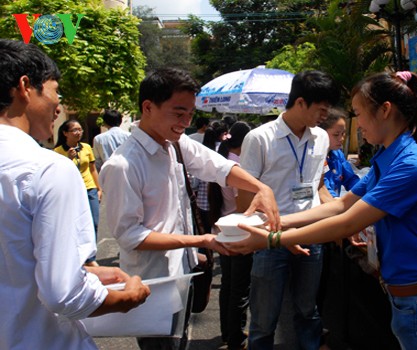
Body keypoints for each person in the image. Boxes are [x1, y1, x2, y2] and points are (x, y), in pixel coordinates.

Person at [228, 71, 417, 349]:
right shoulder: (388, 158)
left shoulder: (410, 165)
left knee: (305, 308)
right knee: (266, 318)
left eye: (359, 114)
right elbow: (339, 204)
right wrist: (277, 225)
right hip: (408, 297)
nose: (357, 125)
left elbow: (347, 222)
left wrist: (271, 238)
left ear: (385, 111)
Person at [99, 67, 280, 350]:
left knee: (180, 341)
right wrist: (202, 240)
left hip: (183, 273)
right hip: (152, 284)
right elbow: (131, 236)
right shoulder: (123, 166)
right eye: (178, 112)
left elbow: (219, 167)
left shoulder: (175, 144)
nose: (186, 122)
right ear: (148, 107)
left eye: (190, 114)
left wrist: (262, 188)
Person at [0, 38, 150, 350]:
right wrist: (124, 298)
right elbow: (63, 293)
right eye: (56, 92)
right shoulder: (47, 168)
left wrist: (84, 272)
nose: (58, 106)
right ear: (25, 87)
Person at [236, 70, 340, 350]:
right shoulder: (260, 138)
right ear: (301, 102)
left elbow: (317, 186)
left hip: (310, 236)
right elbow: (245, 199)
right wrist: (267, 232)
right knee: (264, 318)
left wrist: (344, 219)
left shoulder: (320, 138)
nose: (324, 116)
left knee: (308, 309)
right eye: (321, 109)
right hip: (270, 240)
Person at [208, 121, 253, 350]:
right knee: (239, 289)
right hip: (237, 232)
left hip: (222, 230)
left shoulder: (223, 161)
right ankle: (236, 337)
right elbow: (241, 203)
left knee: (228, 285)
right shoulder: (236, 166)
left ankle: (228, 332)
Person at [55, 119, 102, 266]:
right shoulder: (57, 152)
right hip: (72, 190)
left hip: (89, 188)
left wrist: (99, 188)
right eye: (74, 130)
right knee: (76, 223)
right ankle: (81, 256)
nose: (78, 133)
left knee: (94, 222)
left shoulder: (87, 148)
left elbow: (92, 169)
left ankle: (91, 257)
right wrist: (68, 158)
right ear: (65, 133)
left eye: (80, 129)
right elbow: (58, 173)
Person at [319, 107, 359, 198]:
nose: (341, 139)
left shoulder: (338, 154)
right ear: (321, 133)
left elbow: (350, 179)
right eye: (336, 134)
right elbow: (322, 187)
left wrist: (363, 192)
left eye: (343, 134)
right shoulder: (315, 157)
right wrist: (337, 202)